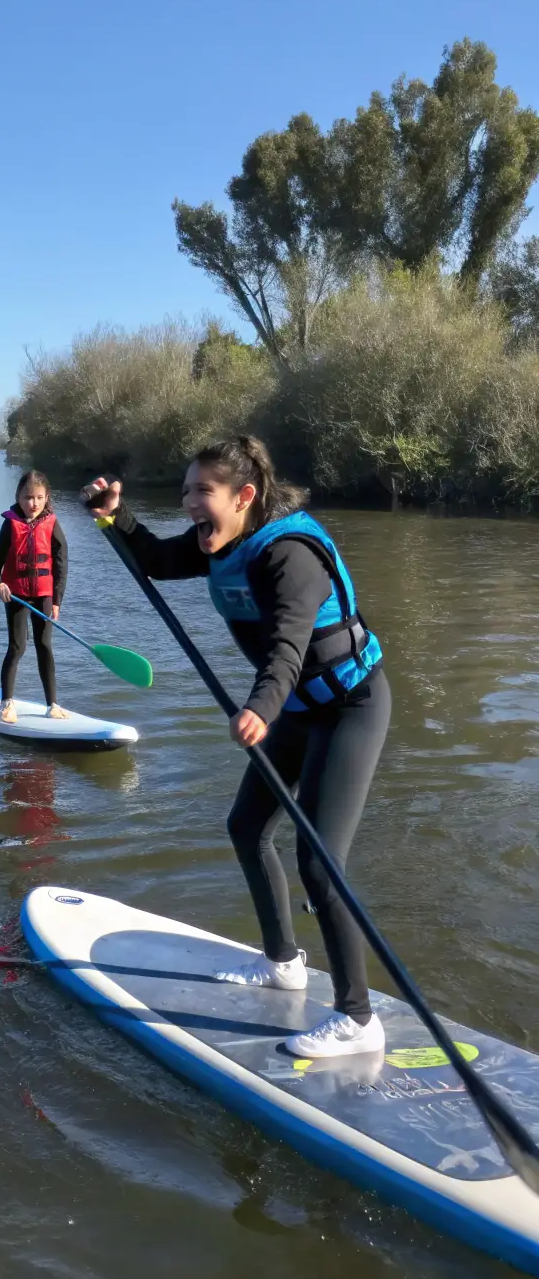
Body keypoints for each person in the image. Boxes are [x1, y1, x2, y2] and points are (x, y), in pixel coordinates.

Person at [86, 436, 391, 1059]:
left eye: (202, 492)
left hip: (348, 710)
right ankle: (284, 962)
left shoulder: (290, 556)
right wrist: (118, 518)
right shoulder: (220, 543)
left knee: (319, 861)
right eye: (185, 491)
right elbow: (157, 561)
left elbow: (289, 646)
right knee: (246, 825)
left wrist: (260, 707)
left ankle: (360, 1020)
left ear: (245, 496)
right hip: (298, 711)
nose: (189, 503)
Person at [0, 469, 69, 723]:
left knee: (44, 647)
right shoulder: (10, 525)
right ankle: (6, 704)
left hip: (44, 595)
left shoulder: (52, 524)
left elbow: (61, 565)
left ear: (46, 498)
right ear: (18, 498)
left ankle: (52, 705)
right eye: (27, 498)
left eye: (38, 498)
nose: (33, 503)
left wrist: (56, 601)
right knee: (17, 647)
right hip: (17, 596)